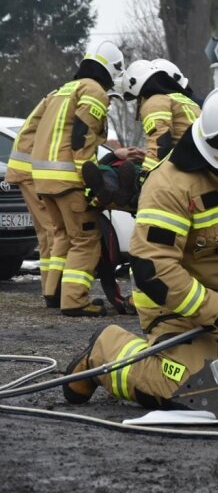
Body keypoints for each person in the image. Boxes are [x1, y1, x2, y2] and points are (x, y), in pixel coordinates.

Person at [62, 84, 218, 409]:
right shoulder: (170, 186)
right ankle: (105, 350)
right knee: (189, 389)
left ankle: (213, 341)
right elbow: (156, 269)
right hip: (174, 310)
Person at [30, 40, 125, 317]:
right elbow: (81, 137)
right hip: (67, 179)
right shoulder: (93, 90)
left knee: (63, 235)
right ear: (109, 70)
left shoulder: (64, 89)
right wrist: (93, 181)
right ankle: (74, 300)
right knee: (85, 238)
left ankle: (54, 293)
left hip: (44, 180)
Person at [82, 59, 201, 210]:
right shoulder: (187, 102)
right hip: (196, 169)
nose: (139, 103)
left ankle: (113, 191)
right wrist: (145, 156)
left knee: (120, 173)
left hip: (178, 175)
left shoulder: (155, 102)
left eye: (137, 99)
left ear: (136, 85)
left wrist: (144, 180)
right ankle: (116, 190)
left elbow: (160, 146)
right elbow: (175, 142)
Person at [5, 92, 57, 306]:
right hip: (31, 170)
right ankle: (57, 291)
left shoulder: (57, 97)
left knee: (47, 234)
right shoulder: (67, 99)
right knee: (54, 231)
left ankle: (50, 288)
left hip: (27, 169)